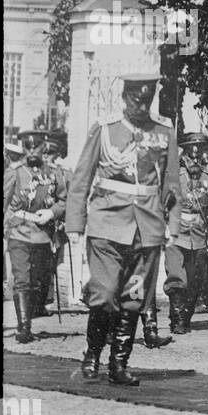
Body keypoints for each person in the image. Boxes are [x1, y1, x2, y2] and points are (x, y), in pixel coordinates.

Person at [65, 73, 179, 385]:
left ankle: (119, 364)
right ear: (124, 98)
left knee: (133, 297)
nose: (140, 106)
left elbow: (171, 183)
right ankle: (92, 353)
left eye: (146, 100)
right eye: (134, 100)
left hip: (148, 225)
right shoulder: (105, 130)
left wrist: (173, 224)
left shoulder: (164, 132)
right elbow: (81, 178)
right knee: (104, 294)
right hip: (107, 222)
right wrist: (75, 223)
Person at [4, 129, 69, 343]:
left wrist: (52, 213)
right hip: (19, 232)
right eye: (27, 147)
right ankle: (24, 327)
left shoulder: (53, 172)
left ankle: (30, 317)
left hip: (43, 235)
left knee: (37, 281)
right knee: (22, 278)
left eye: (36, 147)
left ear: (44, 147)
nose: (32, 151)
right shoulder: (15, 172)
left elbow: (64, 200)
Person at [163, 132, 208, 334]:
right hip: (176, 233)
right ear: (183, 154)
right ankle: (177, 319)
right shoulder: (173, 176)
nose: (194, 159)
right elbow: (163, 202)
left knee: (195, 280)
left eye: (198, 154)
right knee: (176, 276)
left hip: (199, 235)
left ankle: (186, 315)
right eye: (190, 155)